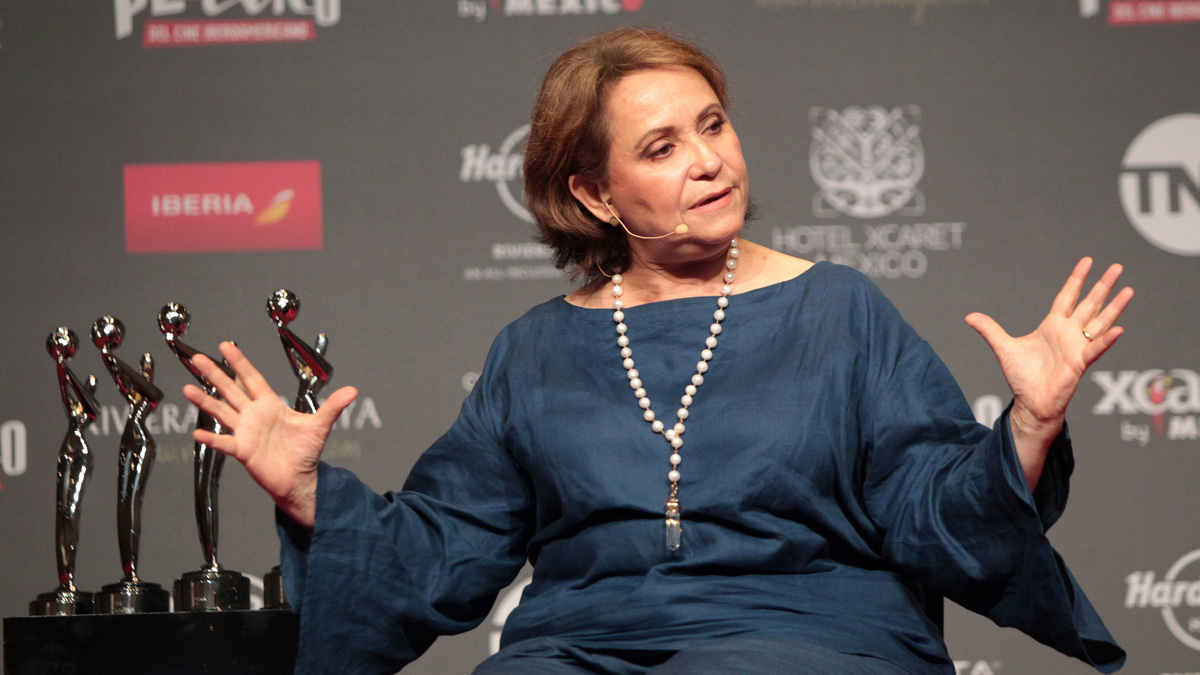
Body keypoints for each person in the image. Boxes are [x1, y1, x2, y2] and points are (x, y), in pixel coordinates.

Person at [183, 27, 1131, 674]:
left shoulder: (839, 310)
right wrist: (309, 491)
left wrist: (1029, 424)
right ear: (595, 193)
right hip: (580, 644)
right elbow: (447, 545)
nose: (709, 160)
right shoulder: (536, 350)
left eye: (713, 125)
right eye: (663, 147)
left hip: (808, 637)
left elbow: (934, 510)